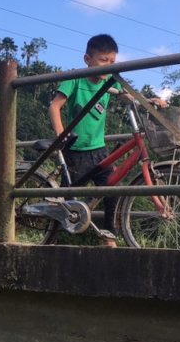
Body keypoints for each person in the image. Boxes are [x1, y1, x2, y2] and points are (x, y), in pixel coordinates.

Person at [49, 33, 165, 247]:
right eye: (103, 61)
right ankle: (54, 239)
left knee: (113, 190)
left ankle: (109, 237)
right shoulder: (74, 79)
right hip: (75, 151)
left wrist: (149, 101)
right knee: (70, 200)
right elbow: (55, 106)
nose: (107, 66)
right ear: (87, 59)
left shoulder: (111, 81)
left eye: (112, 61)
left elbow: (128, 97)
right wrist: (60, 135)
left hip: (100, 150)